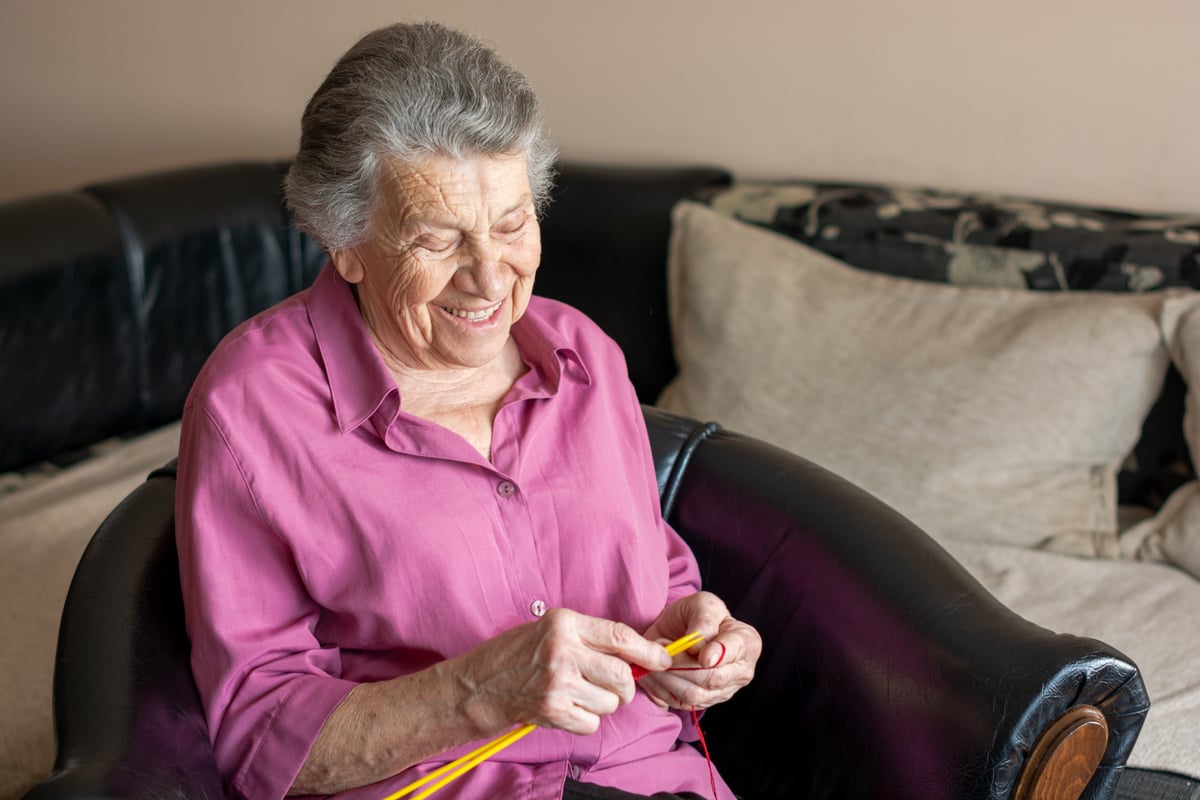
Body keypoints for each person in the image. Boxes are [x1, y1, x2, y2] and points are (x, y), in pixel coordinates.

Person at [175, 21, 761, 800]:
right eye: (438, 239)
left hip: (653, 780)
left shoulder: (587, 357)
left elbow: (652, 569)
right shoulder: (251, 409)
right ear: (342, 242)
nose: (489, 277)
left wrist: (688, 639)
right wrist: (479, 691)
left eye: (513, 223)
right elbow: (258, 740)